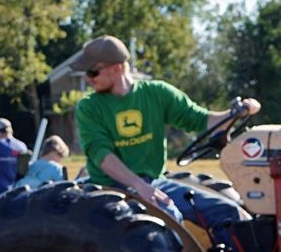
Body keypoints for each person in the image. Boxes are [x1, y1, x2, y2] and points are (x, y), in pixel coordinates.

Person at [70, 35, 260, 230]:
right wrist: (138, 185)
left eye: (93, 72)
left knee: (227, 211)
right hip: (114, 186)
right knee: (168, 216)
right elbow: (101, 156)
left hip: (154, 182)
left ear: (117, 68)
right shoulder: (89, 107)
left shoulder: (157, 93)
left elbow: (200, 119)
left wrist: (236, 113)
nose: (88, 79)